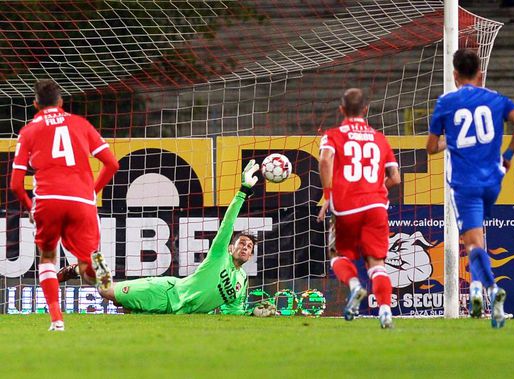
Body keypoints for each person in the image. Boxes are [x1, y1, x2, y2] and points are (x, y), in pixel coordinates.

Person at [59, 160, 276, 317]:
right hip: (165, 292)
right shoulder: (220, 256)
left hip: (177, 315)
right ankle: (93, 260)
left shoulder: (242, 281)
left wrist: (251, 314)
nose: (246, 247)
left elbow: (232, 312)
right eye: (242, 243)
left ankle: (82, 267)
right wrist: (243, 191)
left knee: (123, 310)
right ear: (230, 248)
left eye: (249, 246)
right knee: (106, 290)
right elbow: (228, 223)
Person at [10, 79, 120, 331]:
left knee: (47, 258)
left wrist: (31, 208)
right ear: (61, 102)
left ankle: (57, 321)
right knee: (91, 263)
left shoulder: (28, 131)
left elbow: (16, 184)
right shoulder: (80, 124)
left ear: (35, 104)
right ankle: (98, 272)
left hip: (48, 201)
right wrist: (90, 193)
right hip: (81, 200)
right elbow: (112, 164)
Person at [426, 48, 514, 328]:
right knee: (478, 237)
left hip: (464, 183)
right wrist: (510, 157)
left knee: (472, 242)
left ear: (454, 75)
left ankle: (492, 291)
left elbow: (431, 147)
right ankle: (478, 289)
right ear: (480, 73)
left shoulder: (446, 101)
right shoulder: (497, 99)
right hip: (494, 180)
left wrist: (447, 141)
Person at [317, 88, 401, 329]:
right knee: (377, 264)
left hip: (347, 206)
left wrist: (328, 196)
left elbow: (325, 160)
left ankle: (354, 287)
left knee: (337, 254)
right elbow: (395, 178)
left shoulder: (333, 135)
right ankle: (385, 312)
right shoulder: (379, 138)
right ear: (365, 110)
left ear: (341, 109)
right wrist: (377, 188)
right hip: (376, 206)